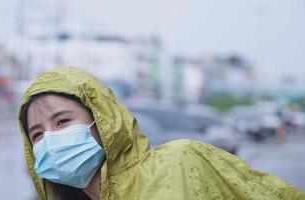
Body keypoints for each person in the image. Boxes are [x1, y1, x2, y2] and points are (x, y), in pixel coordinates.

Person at [18, 67, 304, 200]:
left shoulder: (182, 161)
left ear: (102, 121)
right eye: (37, 135)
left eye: (63, 121)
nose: (52, 140)